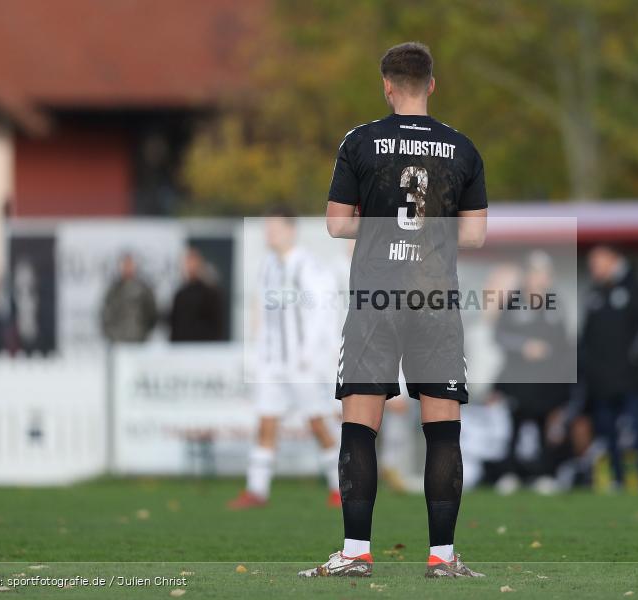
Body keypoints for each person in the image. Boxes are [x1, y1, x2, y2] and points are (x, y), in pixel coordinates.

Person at [300, 42, 487, 579]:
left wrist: (382, 219)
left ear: (386, 85)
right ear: (432, 83)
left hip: (376, 297)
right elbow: (473, 236)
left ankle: (355, 553)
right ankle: (444, 559)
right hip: (435, 299)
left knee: (360, 425)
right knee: (443, 428)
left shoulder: (359, 141)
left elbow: (336, 224)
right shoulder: (462, 147)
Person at [229, 206, 343, 510]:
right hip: (272, 362)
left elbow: (324, 312)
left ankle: (341, 486)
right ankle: (257, 490)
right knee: (266, 421)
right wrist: (256, 352)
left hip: (301, 363)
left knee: (317, 422)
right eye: (267, 228)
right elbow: (260, 310)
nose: (270, 233)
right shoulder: (267, 265)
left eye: (275, 228)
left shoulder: (307, 265)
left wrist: (312, 354)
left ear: (291, 230)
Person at [491, 251, 572, 495]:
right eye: (534, 273)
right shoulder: (513, 302)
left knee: (545, 428)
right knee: (513, 428)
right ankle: (509, 474)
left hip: (546, 381)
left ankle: (544, 475)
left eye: (543, 274)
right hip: (519, 379)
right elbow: (499, 335)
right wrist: (524, 346)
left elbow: (562, 341)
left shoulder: (555, 304)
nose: (538, 279)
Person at [579, 244, 638, 494]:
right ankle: (617, 478)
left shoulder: (634, 288)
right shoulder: (595, 294)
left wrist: (631, 361)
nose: (594, 269)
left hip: (628, 378)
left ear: (613, 260)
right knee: (606, 430)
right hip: (600, 380)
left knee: (637, 428)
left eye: (598, 262)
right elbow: (586, 336)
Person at [169, 248, 224, 342]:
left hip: (203, 347)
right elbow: (175, 323)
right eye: (188, 263)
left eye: (194, 263)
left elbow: (217, 324)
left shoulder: (210, 293)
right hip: (182, 347)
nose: (191, 267)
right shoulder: (180, 294)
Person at [100, 253, 157, 343]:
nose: (128, 267)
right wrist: (113, 336)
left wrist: (144, 334)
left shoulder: (144, 289)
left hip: (140, 341)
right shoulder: (114, 291)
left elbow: (152, 314)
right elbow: (106, 316)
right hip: (118, 342)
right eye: (125, 265)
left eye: (130, 264)